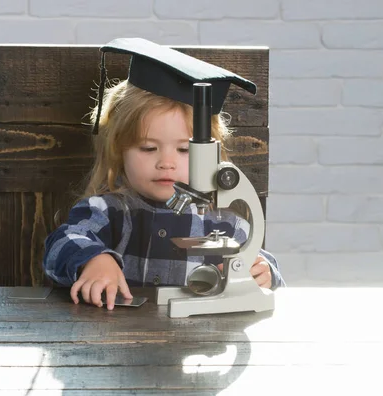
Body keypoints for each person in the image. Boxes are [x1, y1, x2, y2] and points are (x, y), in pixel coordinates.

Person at [43, 38, 284, 310]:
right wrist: (94, 260)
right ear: (118, 150)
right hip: (119, 341)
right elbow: (60, 244)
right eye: (148, 148)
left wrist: (265, 274)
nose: (166, 163)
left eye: (183, 149)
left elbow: (266, 272)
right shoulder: (106, 212)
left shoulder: (226, 226)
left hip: (198, 343)